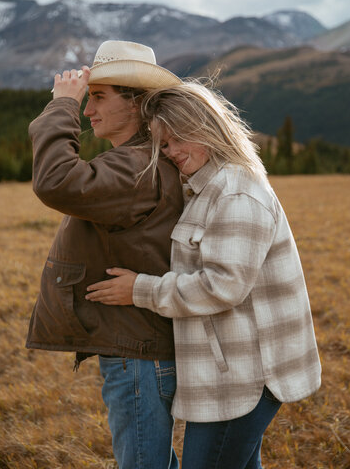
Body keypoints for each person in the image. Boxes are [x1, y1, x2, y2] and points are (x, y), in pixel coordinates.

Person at [86, 81, 322, 469]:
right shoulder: (205, 186)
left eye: (181, 139)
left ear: (208, 129)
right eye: (164, 144)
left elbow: (222, 286)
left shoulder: (235, 194)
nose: (173, 152)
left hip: (247, 376)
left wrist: (139, 290)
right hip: (228, 372)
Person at [26, 40, 184, 469]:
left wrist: (62, 105)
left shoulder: (136, 167)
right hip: (137, 343)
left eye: (98, 97)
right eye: (86, 97)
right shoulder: (137, 161)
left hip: (136, 351)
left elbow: (55, 180)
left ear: (135, 105)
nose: (88, 109)